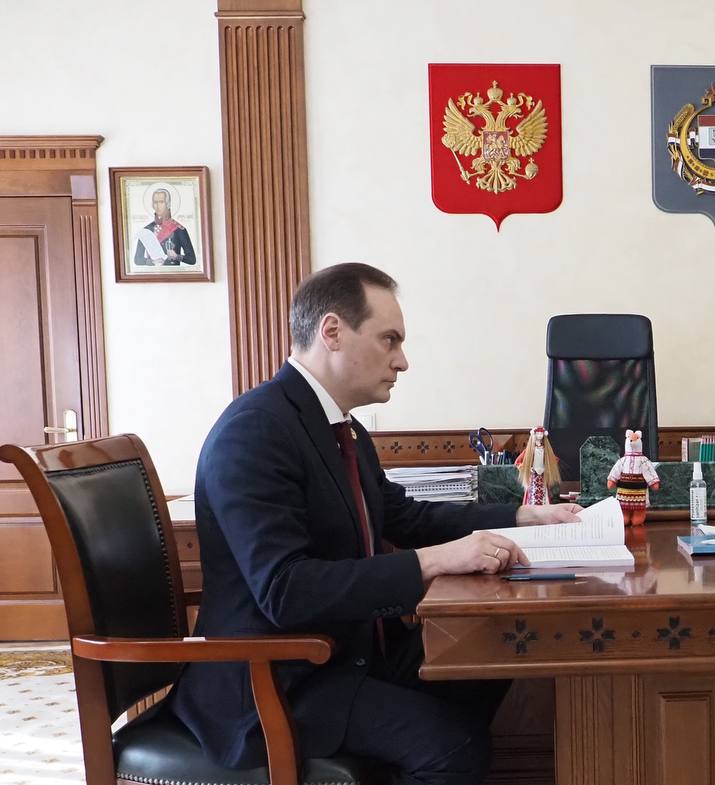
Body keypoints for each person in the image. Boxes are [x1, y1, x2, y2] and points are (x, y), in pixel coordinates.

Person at [169, 263, 581, 784]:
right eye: (390, 340)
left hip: (345, 655)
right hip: (275, 680)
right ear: (333, 332)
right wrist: (435, 561)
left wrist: (522, 516)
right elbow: (285, 589)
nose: (402, 361)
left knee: (490, 651)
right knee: (454, 747)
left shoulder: (342, 429)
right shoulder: (255, 431)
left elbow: (405, 517)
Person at [133, 187, 197, 266]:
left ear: (168, 204)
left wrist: (176, 256)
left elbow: (192, 259)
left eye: (161, 202)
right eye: (155, 202)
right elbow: (137, 259)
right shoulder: (147, 230)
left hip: (174, 272)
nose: (158, 206)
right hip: (153, 272)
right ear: (152, 205)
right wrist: (152, 262)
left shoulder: (179, 229)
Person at [515, 426, 560, 505]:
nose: (539, 435)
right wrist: (528, 468)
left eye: (541, 434)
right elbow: (518, 462)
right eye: (538, 434)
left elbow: (554, 460)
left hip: (543, 475)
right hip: (533, 475)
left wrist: (548, 467)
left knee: (544, 492)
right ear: (534, 435)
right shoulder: (529, 450)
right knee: (532, 493)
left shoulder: (546, 450)